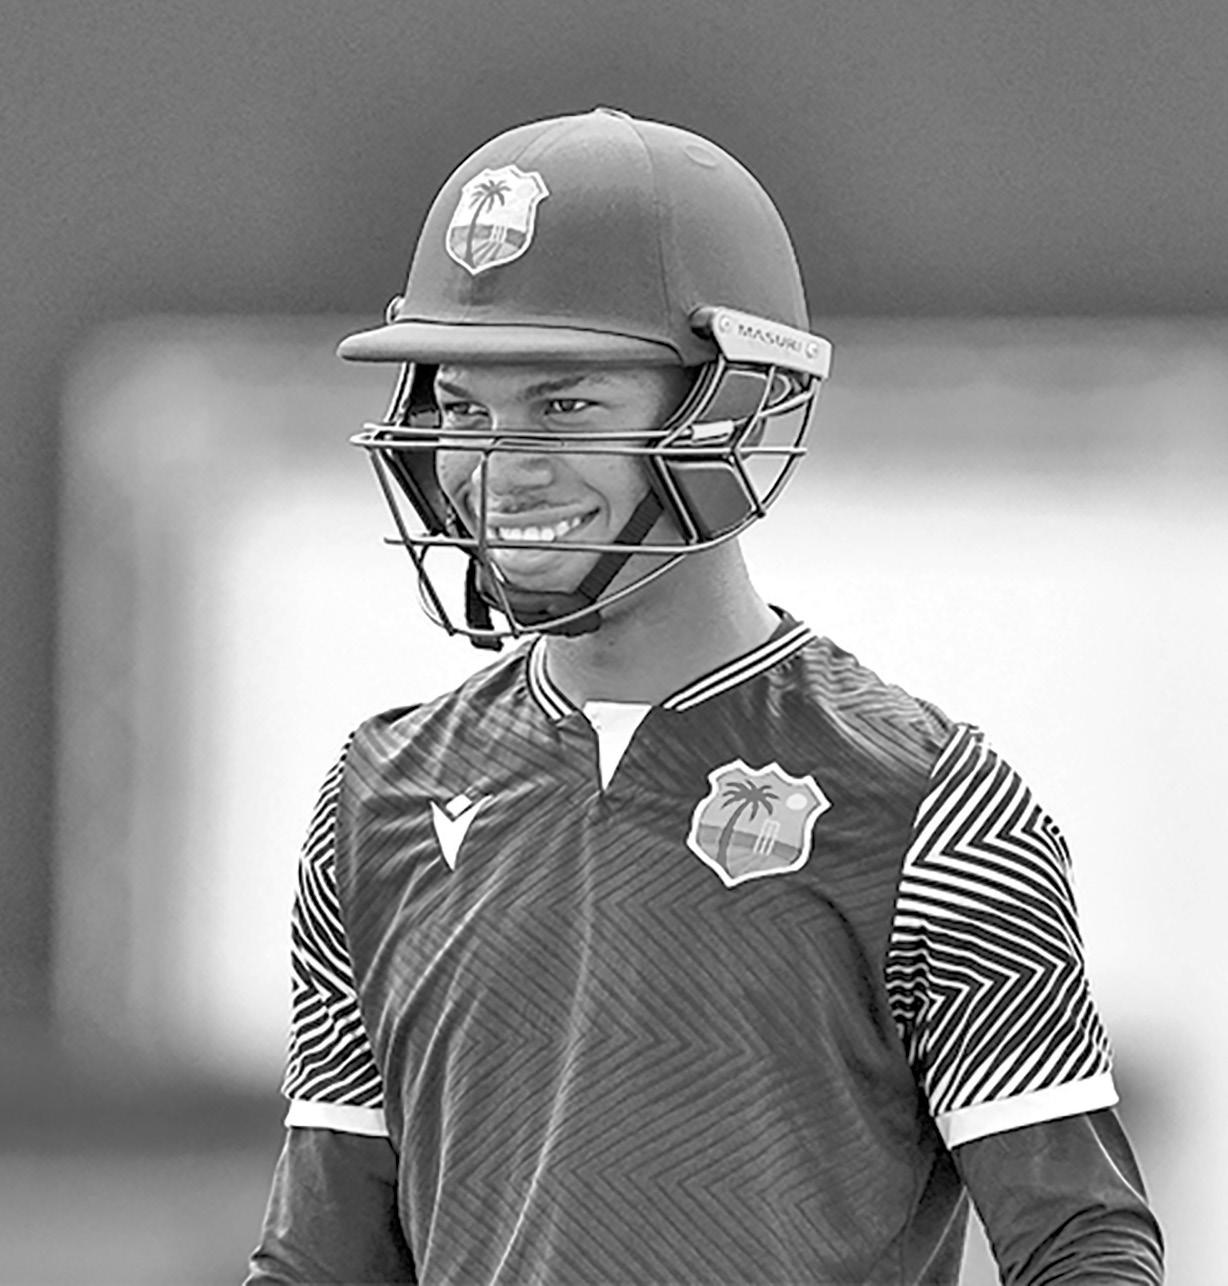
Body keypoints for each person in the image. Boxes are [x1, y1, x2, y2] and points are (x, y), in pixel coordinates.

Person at [246, 107, 1164, 1284]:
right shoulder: (377, 796)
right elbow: (319, 1258)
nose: (498, 466)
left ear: (728, 406)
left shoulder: (931, 805)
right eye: (465, 410)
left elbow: (1080, 1243)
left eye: (565, 405)